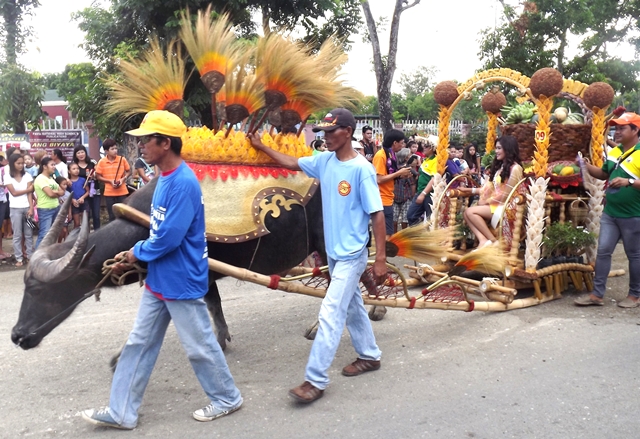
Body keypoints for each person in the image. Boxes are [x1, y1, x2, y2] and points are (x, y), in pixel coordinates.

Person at [82, 110, 242, 430]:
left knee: (199, 347)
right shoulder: (164, 179)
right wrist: (141, 255)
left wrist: (134, 252)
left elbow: (168, 238)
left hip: (181, 279)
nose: (140, 146)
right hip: (160, 278)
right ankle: (122, 411)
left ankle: (226, 397)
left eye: (146, 140)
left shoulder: (183, 183)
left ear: (165, 143)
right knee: (138, 343)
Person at [248, 108, 388, 404]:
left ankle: (315, 380)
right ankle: (370, 355)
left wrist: (380, 259)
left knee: (330, 313)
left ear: (347, 132)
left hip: (352, 255)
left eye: (330, 131)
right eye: (322, 132)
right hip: (335, 254)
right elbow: (291, 162)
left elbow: (377, 215)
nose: (325, 137)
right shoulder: (324, 161)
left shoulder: (361, 169)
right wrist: (262, 146)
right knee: (352, 307)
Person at [574, 112, 640, 308]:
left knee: (634, 254)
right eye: (616, 128)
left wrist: (629, 181)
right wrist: (586, 166)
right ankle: (597, 295)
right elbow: (604, 174)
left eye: (622, 128)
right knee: (603, 251)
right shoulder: (614, 152)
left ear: (635, 130)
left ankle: (635, 295)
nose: (617, 131)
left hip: (634, 214)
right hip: (611, 213)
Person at [459, 135, 523, 248]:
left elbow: (506, 195)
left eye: (499, 148)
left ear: (508, 149)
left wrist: (487, 202)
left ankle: (493, 241)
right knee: (466, 213)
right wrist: (468, 190)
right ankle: (483, 240)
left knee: (470, 212)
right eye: (496, 148)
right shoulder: (500, 168)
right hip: (496, 204)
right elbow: (487, 189)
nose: (496, 151)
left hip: (507, 206)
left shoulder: (515, 168)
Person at [406, 138, 460, 226]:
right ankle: (419, 234)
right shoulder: (426, 159)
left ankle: (427, 237)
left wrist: (423, 194)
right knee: (411, 216)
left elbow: (434, 178)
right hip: (420, 192)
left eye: (426, 146)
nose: (423, 147)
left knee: (431, 220)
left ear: (432, 148)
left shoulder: (436, 161)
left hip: (430, 195)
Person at [372, 129, 413, 238]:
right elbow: (379, 179)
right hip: (382, 198)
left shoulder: (390, 154)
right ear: (394, 143)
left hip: (388, 197)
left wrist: (401, 174)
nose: (403, 145)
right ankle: (383, 252)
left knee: (388, 232)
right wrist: (398, 173)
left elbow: (389, 175)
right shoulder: (381, 156)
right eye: (401, 142)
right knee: (387, 233)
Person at [5, 154, 34, 267]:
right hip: (15, 209)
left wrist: (31, 208)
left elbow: (29, 194)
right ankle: (19, 257)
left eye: (22, 163)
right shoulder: (8, 177)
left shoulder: (27, 175)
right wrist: (28, 189)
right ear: (13, 164)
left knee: (29, 233)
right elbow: (14, 193)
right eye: (19, 163)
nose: (21, 165)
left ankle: (30, 256)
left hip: (27, 208)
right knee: (17, 234)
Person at [95, 139, 131, 222]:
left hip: (122, 192)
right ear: (106, 151)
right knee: (112, 216)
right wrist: (109, 181)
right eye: (112, 149)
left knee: (124, 215)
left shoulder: (122, 159)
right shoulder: (102, 162)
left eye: (116, 148)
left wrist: (123, 179)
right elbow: (98, 176)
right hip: (109, 193)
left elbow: (129, 171)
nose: (115, 151)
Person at [34, 157, 65, 248]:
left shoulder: (51, 178)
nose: (54, 167)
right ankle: (37, 256)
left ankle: (47, 253)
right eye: (52, 165)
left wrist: (55, 192)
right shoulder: (40, 179)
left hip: (56, 207)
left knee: (53, 233)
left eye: (54, 165)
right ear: (44, 166)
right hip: (45, 210)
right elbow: (50, 194)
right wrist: (56, 192)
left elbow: (62, 192)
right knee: (44, 234)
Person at [73, 145, 101, 230]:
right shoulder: (75, 165)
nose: (81, 154)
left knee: (96, 215)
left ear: (85, 153)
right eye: (78, 153)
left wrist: (94, 176)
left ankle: (97, 233)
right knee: (86, 216)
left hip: (95, 191)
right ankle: (86, 236)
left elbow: (99, 174)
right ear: (75, 154)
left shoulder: (92, 163)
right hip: (83, 193)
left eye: (82, 152)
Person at [393, 148, 415, 232]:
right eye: (409, 155)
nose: (411, 157)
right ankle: (399, 237)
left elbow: (412, 184)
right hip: (402, 196)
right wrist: (412, 197)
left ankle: (396, 237)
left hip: (401, 196)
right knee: (401, 220)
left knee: (397, 219)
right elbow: (412, 184)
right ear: (406, 158)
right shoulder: (406, 169)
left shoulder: (396, 167)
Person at [68, 162, 89, 229]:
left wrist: (82, 198)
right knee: (77, 224)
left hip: (84, 202)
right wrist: (72, 200)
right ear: (69, 171)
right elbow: (67, 194)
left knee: (85, 223)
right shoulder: (68, 182)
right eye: (74, 169)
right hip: (74, 204)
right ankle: (76, 238)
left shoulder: (83, 180)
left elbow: (88, 191)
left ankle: (87, 238)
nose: (76, 170)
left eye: (77, 168)